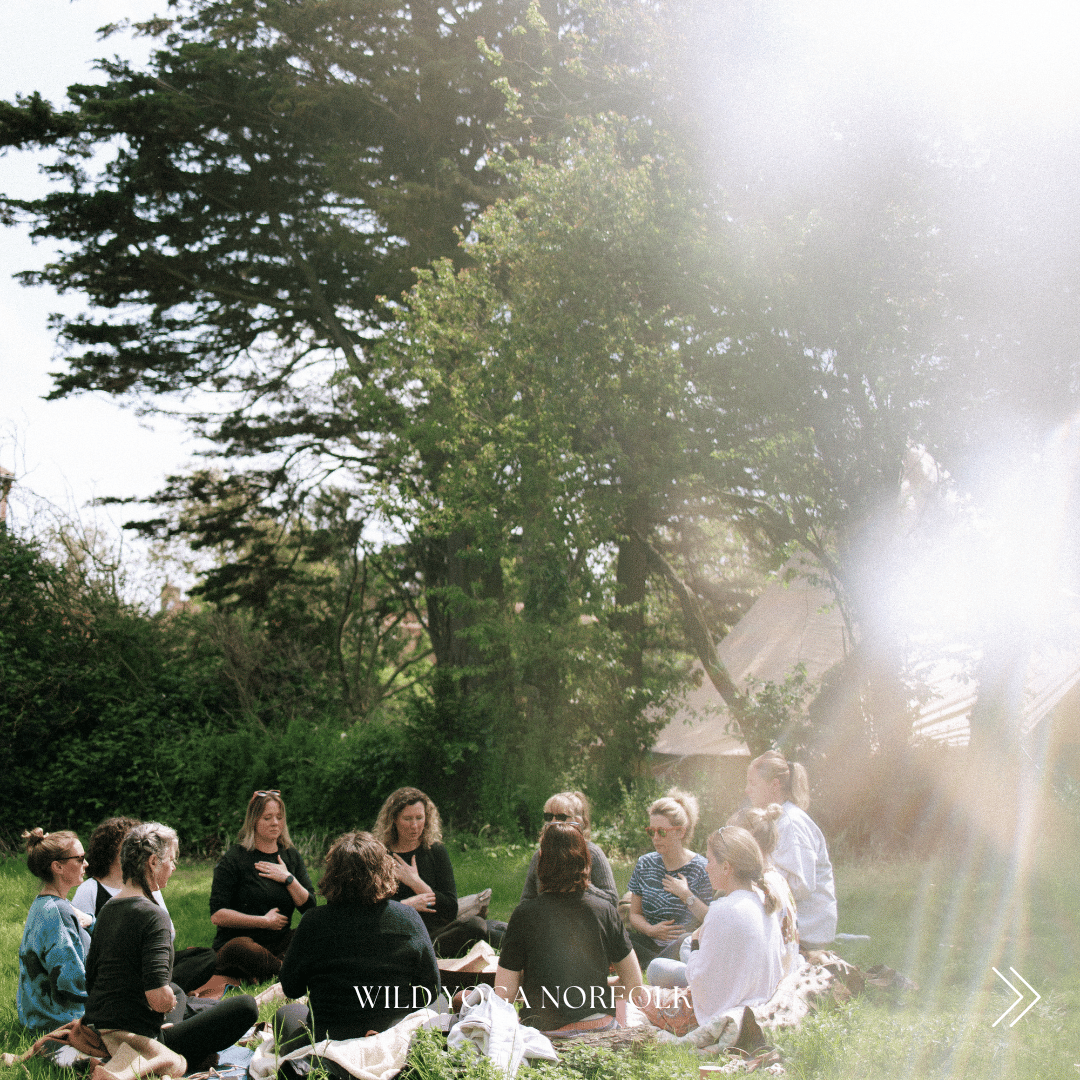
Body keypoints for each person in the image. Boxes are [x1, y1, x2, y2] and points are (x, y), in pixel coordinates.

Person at [84, 823, 258, 1072]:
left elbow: (91, 979)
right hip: (137, 1038)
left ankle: (171, 1029)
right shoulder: (154, 915)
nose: (174, 867)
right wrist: (164, 1009)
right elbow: (156, 998)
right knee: (246, 1007)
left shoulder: (109, 908)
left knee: (176, 989)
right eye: (171, 860)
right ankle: (169, 1047)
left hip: (100, 1025)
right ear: (153, 861)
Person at [274, 831, 441, 1065]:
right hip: (391, 1035)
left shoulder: (313, 921)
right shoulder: (408, 917)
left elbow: (291, 987)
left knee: (287, 1013)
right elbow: (431, 989)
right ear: (384, 870)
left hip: (330, 1038)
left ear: (333, 874)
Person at [495, 822, 643, 1033]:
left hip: (544, 1031)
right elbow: (634, 984)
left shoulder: (524, 915)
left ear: (542, 862)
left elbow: (504, 994)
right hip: (600, 1025)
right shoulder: (605, 911)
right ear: (585, 860)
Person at [647, 826, 784, 1026]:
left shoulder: (723, 909)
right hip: (757, 993)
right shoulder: (764, 900)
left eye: (710, 861)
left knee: (654, 971)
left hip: (728, 1005)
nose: (706, 867)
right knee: (683, 947)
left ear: (727, 867)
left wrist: (695, 944)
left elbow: (701, 984)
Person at [210, 790, 317, 983]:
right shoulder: (234, 859)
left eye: (279, 817)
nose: (275, 823)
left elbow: (309, 908)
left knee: (313, 934)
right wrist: (262, 921)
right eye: (267, 818)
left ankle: (269, 971)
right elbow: (218, 915)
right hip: (241, 945)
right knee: (242, 948)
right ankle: (287, 972)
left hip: (278, 944)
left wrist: (288, 879)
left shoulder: (291, 856)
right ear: (254, 821)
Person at [374, 787, 490, 957]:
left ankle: (426, 958)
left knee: (479, 926)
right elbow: (372, 913)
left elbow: (450, 910)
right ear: (394, 820)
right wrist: (407, 906)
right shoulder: (380, 856)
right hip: (398, 939)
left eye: (419, 818)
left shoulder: (435, 851)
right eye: (407, 819)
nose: (414, 825)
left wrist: (416, 883)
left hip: (435, 936)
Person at [745, 751, 837, 947]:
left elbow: (801, 885)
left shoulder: (791, 823)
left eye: (753, 783)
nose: (747, 790)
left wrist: (752, 885)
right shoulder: (778, 819)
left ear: (774, 785)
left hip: (807, 929)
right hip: (789, 922)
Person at [17, 827, 93, 1031]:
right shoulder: (57, 912)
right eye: (80, 858)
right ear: (58, 867)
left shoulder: (47, 904)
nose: (86, 864)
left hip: (42, 1017)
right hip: (61, 1021)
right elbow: (70, 980)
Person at [626, 788, 712, 966]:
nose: (655, 838)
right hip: (648, 943)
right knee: (618, 935)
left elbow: (711, 919)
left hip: (682, 946)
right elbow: (634, 914)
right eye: (651, 831)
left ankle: (651, 964)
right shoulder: (645, 863)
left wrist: (686, 895)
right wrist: (651, 930)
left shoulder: (702, 868)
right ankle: (658, 964)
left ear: (680, 832)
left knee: (686, 940)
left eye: (662, 832)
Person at [726, 804, 799, 975]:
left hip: (763, 984)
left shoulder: (753, 889)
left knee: (661, 966)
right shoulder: (778, 879)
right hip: (786, 974)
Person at [519, 791, 618, 907]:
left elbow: (612, 901)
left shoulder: (593, 853)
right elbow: (525, 902)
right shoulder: (540, 855)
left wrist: (581, 884)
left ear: (579, 821)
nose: (553, 822)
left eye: (561, 817)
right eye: (548, 817)